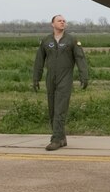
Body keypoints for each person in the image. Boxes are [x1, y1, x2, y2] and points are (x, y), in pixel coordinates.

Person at [32, 15, 89, 151]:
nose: (62, 22)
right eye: (59, 20)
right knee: (52, 109)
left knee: (60, 109)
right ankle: (62, 137)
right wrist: (36, 77)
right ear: (52, 24)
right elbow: (39, 61)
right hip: (50, 79)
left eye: (64, 21)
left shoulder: (71, 40)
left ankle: (56, 139)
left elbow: (80, 58)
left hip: (65, 78)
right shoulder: (46, 41)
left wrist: (84, 76)